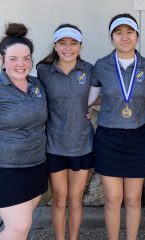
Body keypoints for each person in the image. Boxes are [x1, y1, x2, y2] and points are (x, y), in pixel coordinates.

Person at [89, 13, 145, 240]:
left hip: (138, 138)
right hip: (109, 138)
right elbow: (90, 98)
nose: (124, 37)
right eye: (119, 33)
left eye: (129, 32)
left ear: (137, 36)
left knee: (133, 199)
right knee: (113, 199)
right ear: (112, 37)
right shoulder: (101, 66)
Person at [36, 24, 94, 240]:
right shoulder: (44, 70)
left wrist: (91, 107)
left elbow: (101, 94)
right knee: (60, 199)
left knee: (76, 199)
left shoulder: (89, 70)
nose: (68, 48)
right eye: (63, 43)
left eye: (73, 43)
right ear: (55, 45)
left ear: (80, 46)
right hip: (55, 144)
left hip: (82, 144)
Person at [0, 23, 48, 240]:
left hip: (36, 165)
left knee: (22, 227)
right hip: (7, 169)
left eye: (26, 58)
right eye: (13, 59)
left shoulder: (36, 85)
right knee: (18, 228)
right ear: (2, 60)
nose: (21, 64)